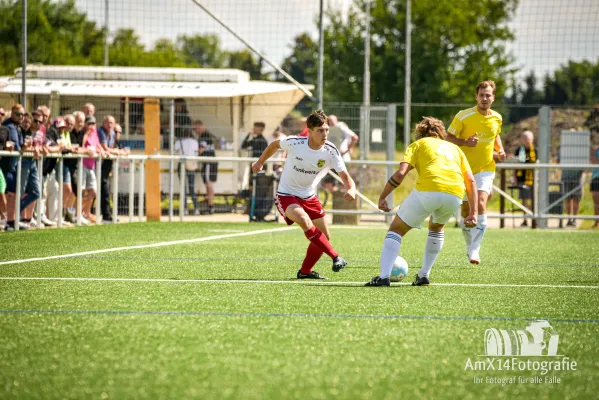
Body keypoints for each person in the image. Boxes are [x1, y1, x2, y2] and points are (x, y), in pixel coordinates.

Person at [365, 117, 478, 287]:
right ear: (441, 133)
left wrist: (383, 196)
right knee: (437, 227)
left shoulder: (418, 145)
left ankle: (384, 277)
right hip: (455, 194)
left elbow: (401, 173)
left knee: (396, 229)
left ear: (419, 132)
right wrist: (473, 213)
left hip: (429, 190)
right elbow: (471, 181)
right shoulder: (455, 149)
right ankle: (424, 275)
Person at [251, 109, 357, 279]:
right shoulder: (295, 143)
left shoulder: (330, 150)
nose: (325, 134)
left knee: (324, 236)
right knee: (303, 220)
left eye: (326, 130)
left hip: (309, 196)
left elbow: (345, 177)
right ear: (310, 131)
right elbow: (274, 145)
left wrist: (351, 189)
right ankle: (336, 257)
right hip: (286, 194)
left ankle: (305, 271)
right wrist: (260, 162)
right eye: (320, 130)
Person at [446, 80, 506, 264]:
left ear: (493, 97)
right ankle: (469, 246)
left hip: (485, 168)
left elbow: (495, 135)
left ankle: (475, 250)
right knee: (466, 211)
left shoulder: (497, 118)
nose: (484, 98)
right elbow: (448, 137)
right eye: (481, 95)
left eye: (488, 95)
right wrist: (465, 142)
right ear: (476, 97)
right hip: (463, 169)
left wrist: (500, 150)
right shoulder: (463, 116)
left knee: (480, 203)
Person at [98, 115, 128, 223]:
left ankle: (106, 215)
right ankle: (104, 215)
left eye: (120, 132)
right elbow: (106, 148)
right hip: (97, 167)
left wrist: (118, 151)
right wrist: (118, 152)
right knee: (99, 191)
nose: (117, 134)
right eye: (116, 132)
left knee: (105, 191)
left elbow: (119, 150)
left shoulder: (113, 138)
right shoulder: (101, 132)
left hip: (105, 169)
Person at [513, 130, 537, 227]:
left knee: (534, 200)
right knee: (524, 200)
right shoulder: (518, 150)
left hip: (533, 179)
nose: (527, 141)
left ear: (532, 140)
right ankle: (525, 219)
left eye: (529, 139)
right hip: (522, 178)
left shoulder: (535, 151)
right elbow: (515, 165)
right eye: (525, 139)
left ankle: (534, 219)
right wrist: (514, 177)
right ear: (522, 140)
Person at [193, 120, 217, 214]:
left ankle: (210, 207)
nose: (195, 131)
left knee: (209, 185)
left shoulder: (204, 136)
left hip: (208, 163)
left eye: (195, 129)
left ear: (200, 127)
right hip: (209, 163)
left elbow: (201, 150)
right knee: (208, 185)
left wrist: (192, 155)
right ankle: (210, 206)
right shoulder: (206, 135)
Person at [174, 129, 199, 215]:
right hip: (191, 164)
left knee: (183, 188)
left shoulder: (178, 142)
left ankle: (185, 209)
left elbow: (176, 153)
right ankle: (196, 208)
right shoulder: (195, 142)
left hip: (182, 164)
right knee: (192, 187)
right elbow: (196, 153)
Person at [590, 145, 599, 228]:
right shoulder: (595, 149)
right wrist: (593, 152)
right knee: (596, 202)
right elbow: (592, 161)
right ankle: (597, 222)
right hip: (596, 178)